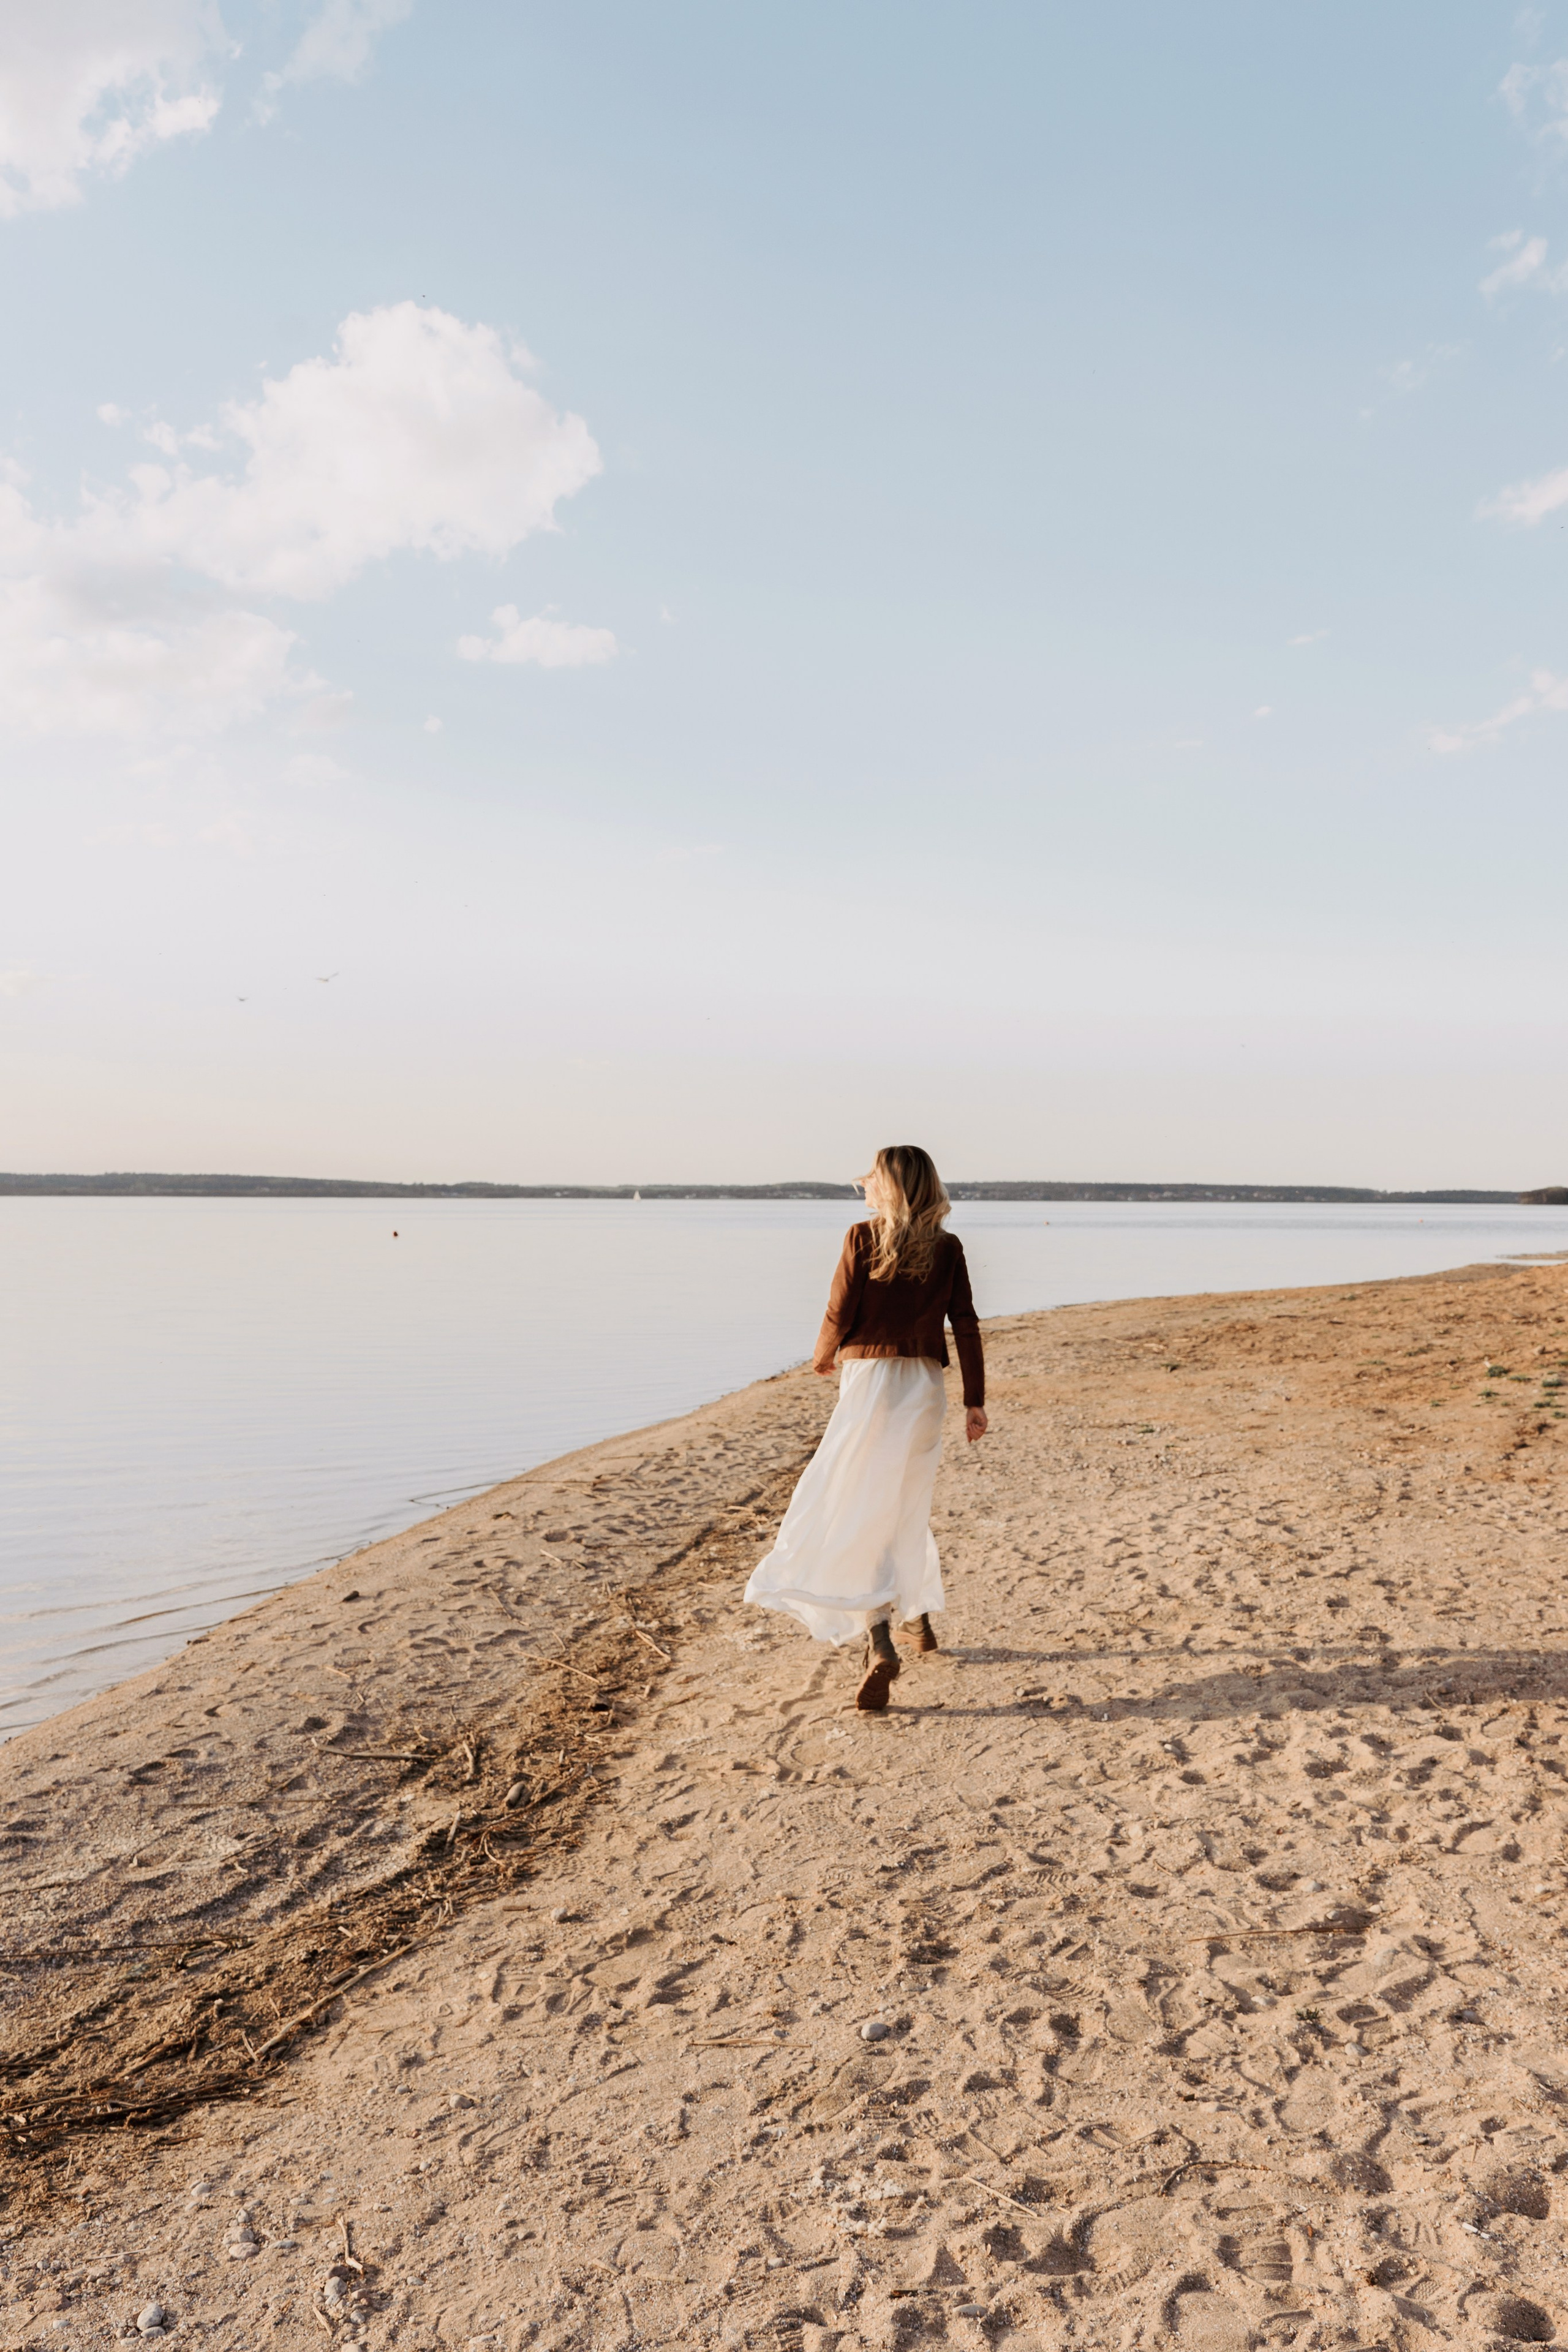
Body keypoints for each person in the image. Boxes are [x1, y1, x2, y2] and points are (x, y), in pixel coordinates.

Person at [744, 1144, 987, 1710]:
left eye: (872, 1179)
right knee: (904, 1501)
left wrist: (824, 1354)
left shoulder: (861, 1238)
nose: (865, 1186)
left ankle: (879, 1639)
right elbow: (967, 1324)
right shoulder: (947, 1247)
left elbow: (840, 1309)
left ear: (892, 1187)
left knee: (861, 1505)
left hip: (871, 1385)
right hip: (925, 1387)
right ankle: (918, 1621)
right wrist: (976, 1400)